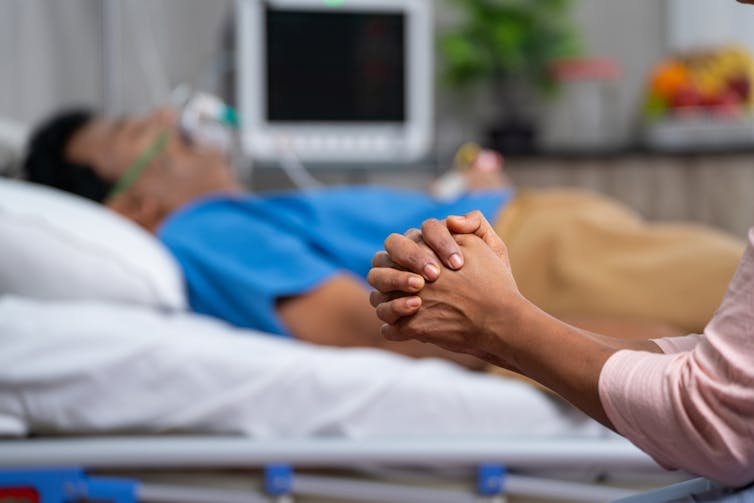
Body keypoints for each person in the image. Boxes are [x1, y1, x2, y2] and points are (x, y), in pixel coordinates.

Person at [23, 107, 743, 369]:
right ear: (134, 205)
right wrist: (603, 349)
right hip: (548, 260)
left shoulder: (235, 213)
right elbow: (356, 327)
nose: (167, 117)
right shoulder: (200, 231)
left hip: (552, 236)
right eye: (135, 132)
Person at [368, 208, 754, 487]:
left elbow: (721, 414)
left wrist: (497, 319)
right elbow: (721, 372)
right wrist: (492, 326)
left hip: (538, 231)